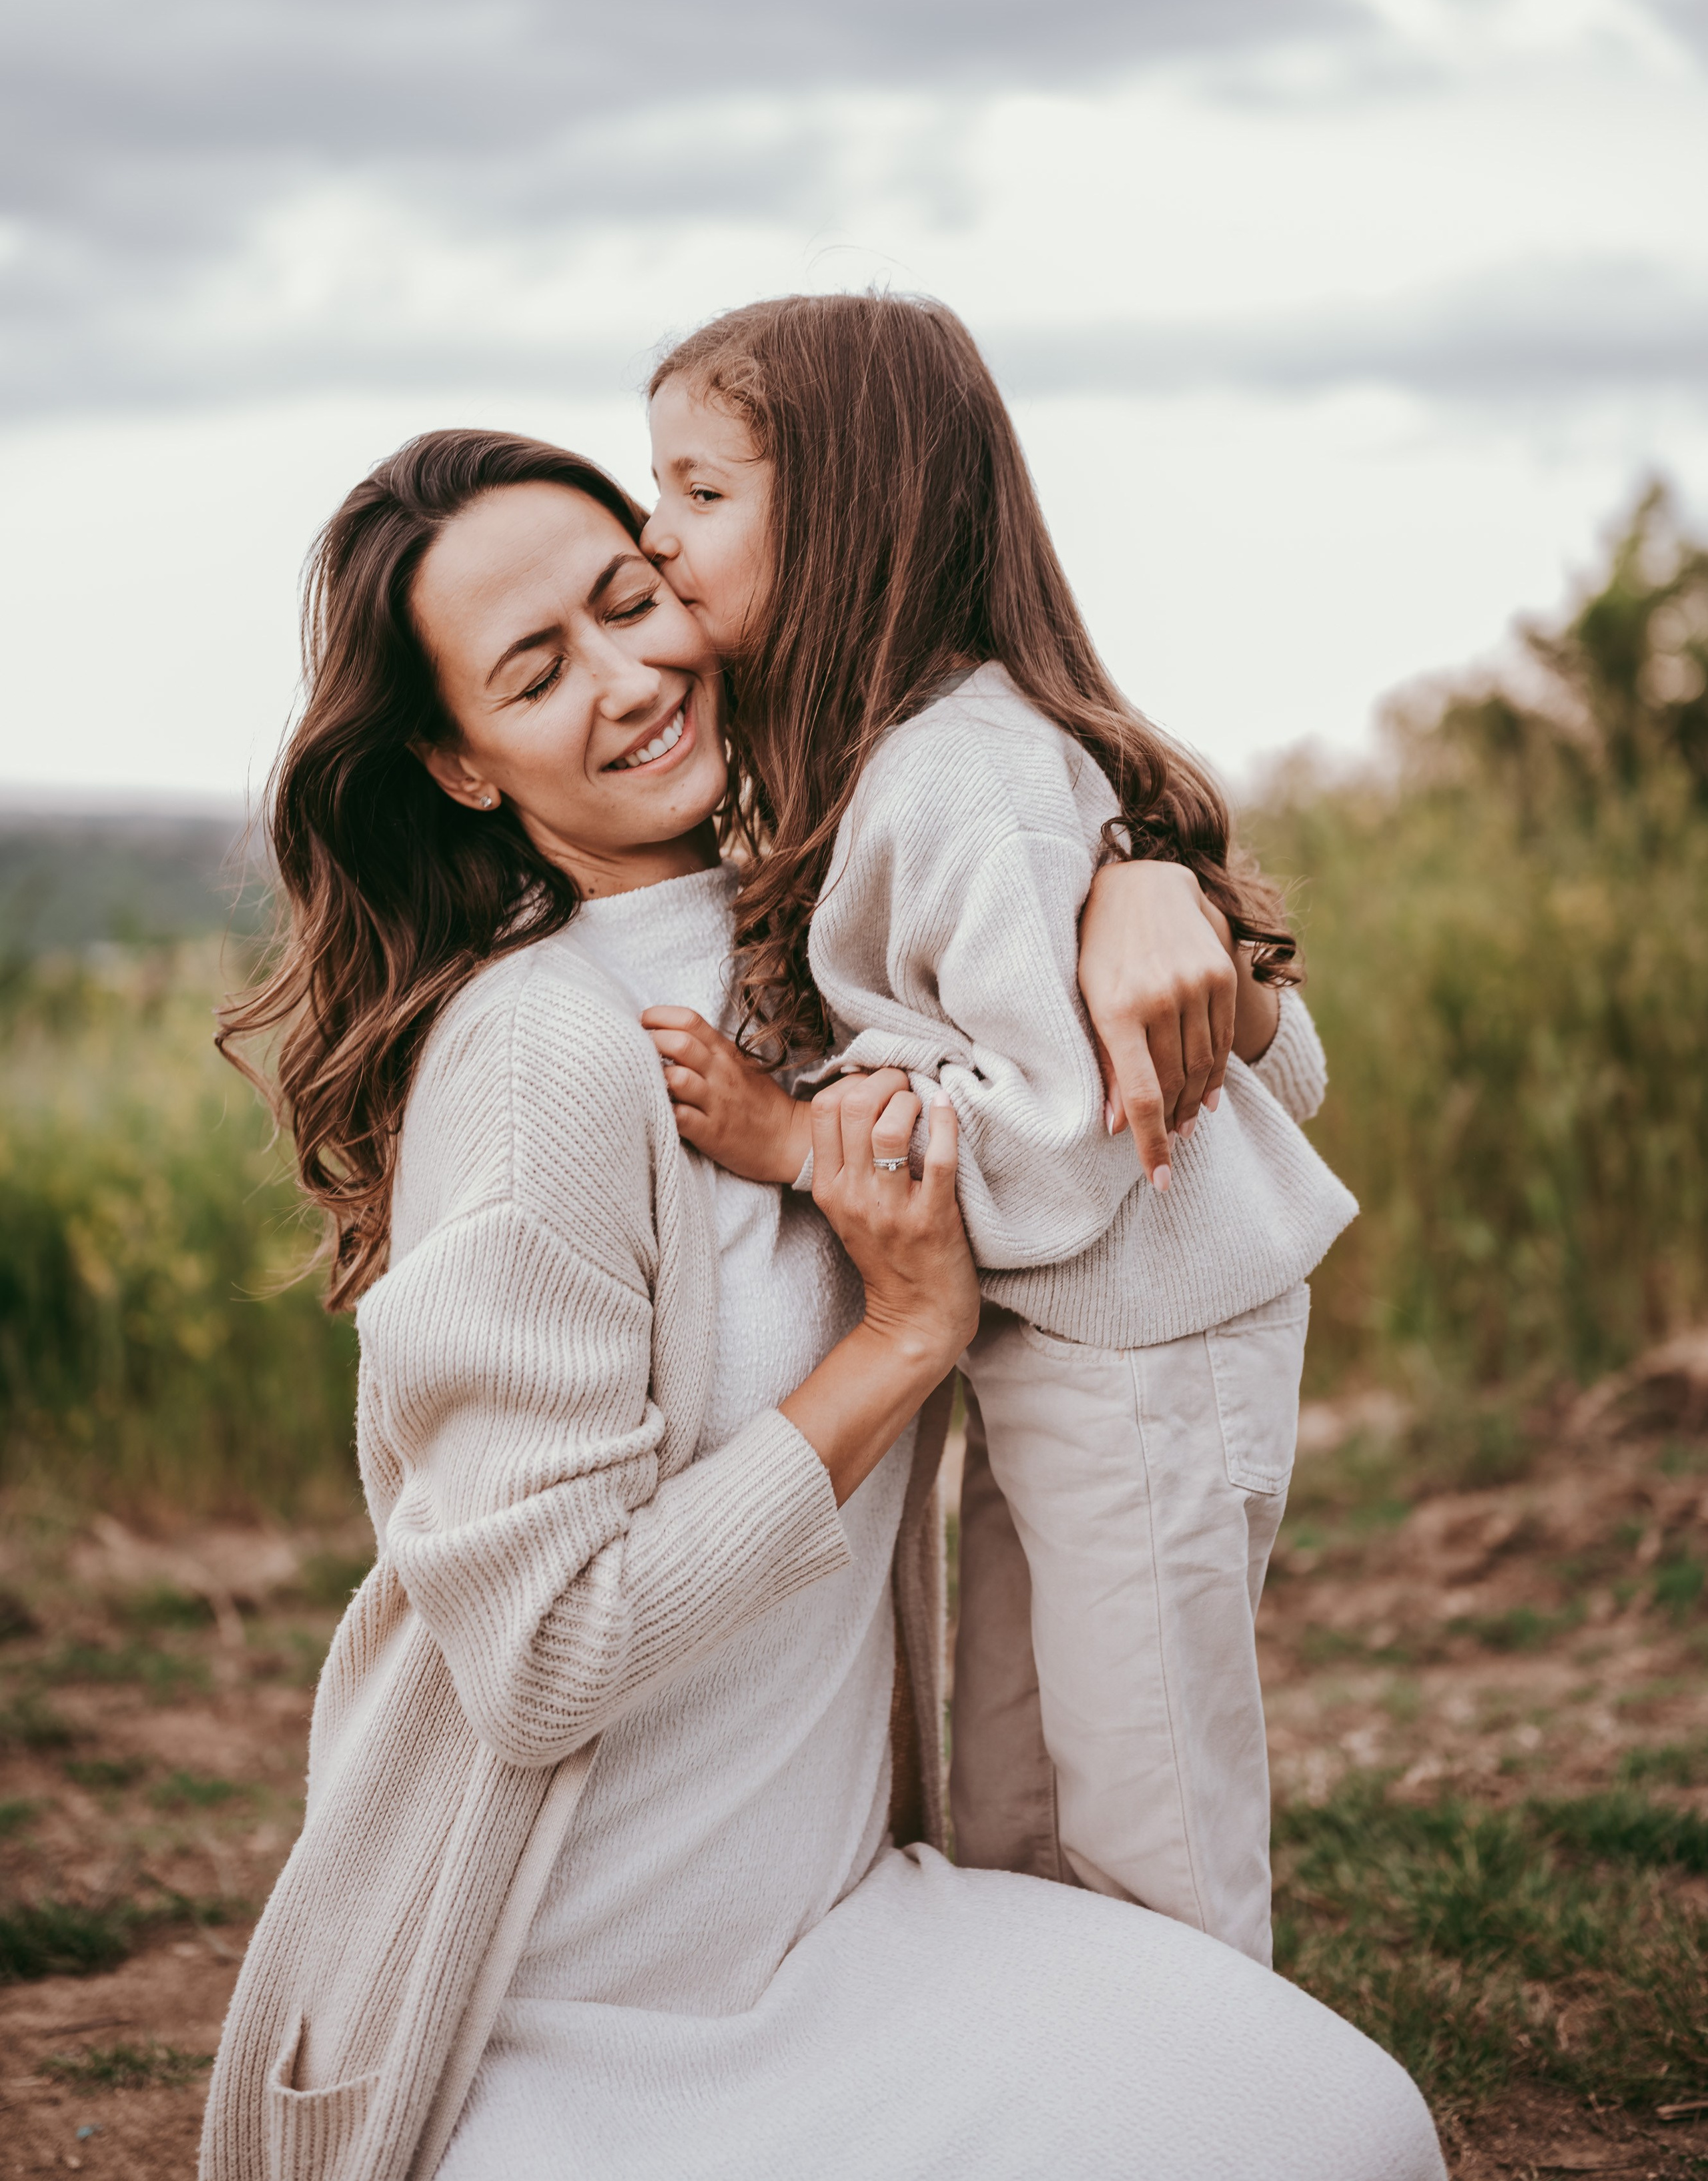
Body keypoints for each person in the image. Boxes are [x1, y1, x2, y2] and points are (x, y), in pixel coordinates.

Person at [203, 427, 1444, 2181]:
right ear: (460, 765)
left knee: (1352, 2131)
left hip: (845, 1929)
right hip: (566, 2006)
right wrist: (897, 1345)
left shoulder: (814, 940)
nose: (627, 679)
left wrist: (1138, 891)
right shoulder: (541, 1058)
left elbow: (1274, 1074)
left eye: (629, 600)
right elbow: (540, 1657)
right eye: (535, 674)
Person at [638, 291, 1355, 1964]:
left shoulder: (965, 773)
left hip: (1148, 1346)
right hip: (1074, 1339)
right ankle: (1060, 2061)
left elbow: (1060, 1134)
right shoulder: (883, 759)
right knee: (1017, 1788)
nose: (653, 532)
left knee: (1145, 1805)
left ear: (848, 514)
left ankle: (1215, 2084)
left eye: (700, 490)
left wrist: (794, 1138)